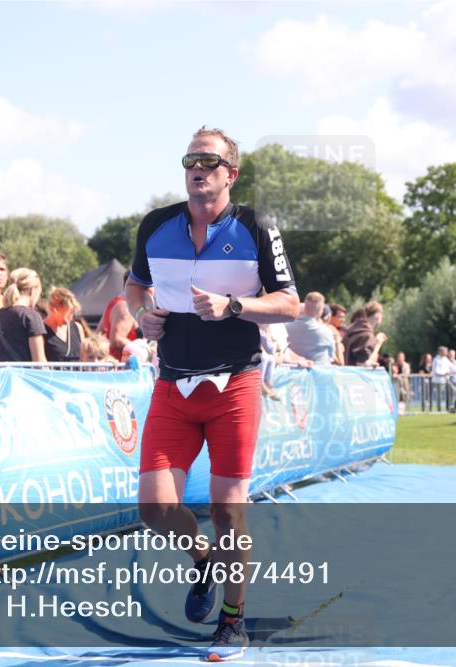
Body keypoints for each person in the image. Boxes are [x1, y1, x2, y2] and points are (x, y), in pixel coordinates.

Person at [125, 126, 299, 662]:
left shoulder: (256, 227)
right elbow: (135, 286)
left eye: (209, 160)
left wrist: (235, 306)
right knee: (155, 508)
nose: (197, 167)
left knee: (229, 512)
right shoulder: (157, 226)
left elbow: (291, 304)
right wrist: (140, 315)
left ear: (231, 173)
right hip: (174, 384)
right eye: (190, 159)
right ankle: (203, 558)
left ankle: (232, 620)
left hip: (235, 384)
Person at [0, 268, 47, 363]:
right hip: (25, 377)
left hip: (2, 377)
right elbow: (39, 361)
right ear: (33, 290)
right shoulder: (31, 316)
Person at [284, 292, 336, 365]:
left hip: (290, 374)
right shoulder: (327, 332)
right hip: (319, 374)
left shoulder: (286, 328)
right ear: (321, 309)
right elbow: (331, 357)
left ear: (304, 307)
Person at [100, 271, 140, 359]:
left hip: (114, 365)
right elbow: (116, 341)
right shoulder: (125, 307)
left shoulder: (114, 303)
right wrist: (144, 350)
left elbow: (98, 334)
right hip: (123, 367)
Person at [43, 287, 83, 363]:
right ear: (53, 310)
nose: (71, 318)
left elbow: (85, 356)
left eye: (73, 313)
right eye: (68, 314)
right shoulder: (41, 331)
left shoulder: (77, 327)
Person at [345, 301, 387, 366]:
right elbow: (365, 365)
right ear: (378, 317)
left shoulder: (352, 331)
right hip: (358, 376)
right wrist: (378, 343)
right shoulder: (367, 335)